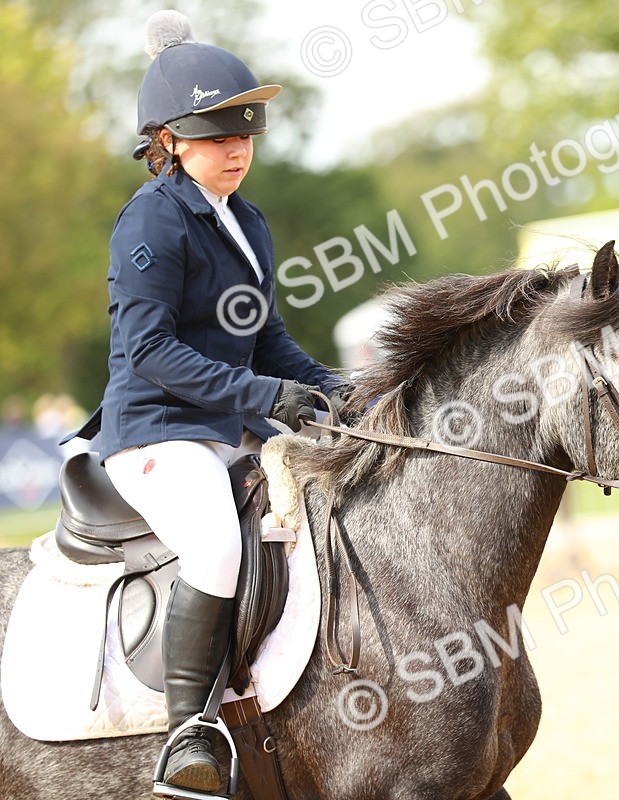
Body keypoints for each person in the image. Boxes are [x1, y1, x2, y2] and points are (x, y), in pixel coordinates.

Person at [63, 11, 348, 794]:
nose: (236, 148)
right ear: (170, 141)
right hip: (156, 433)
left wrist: (339, 390)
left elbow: (267, 341)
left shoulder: (246, 220)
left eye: (244, 131)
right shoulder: (152, 218)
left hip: (226, 427)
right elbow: (150, 350)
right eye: (216, 135)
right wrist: (265, 396)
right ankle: (188, 738)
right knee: (218, 546)